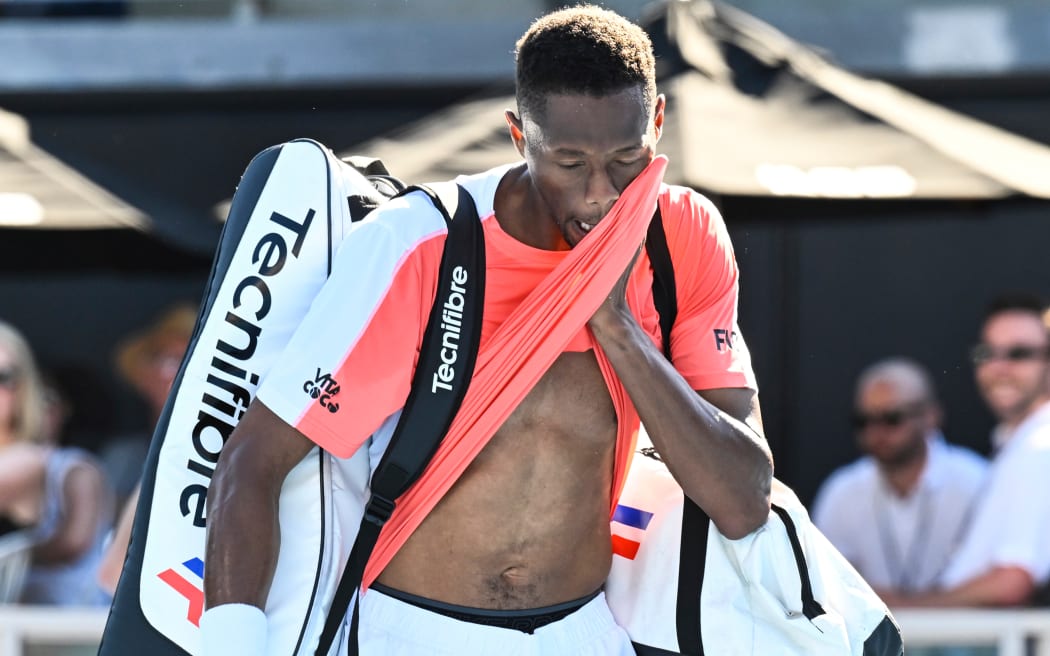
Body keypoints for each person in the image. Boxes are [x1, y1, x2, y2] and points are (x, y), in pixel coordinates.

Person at [202, 6, 773, 655]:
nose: (600, 194)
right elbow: (252, 461)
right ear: (517, 135)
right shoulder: (419, 246)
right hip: (414, 632)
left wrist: (616, 327)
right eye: (568, 161)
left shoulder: (681, 238)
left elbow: (744, 498)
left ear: (658, 123)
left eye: (625, 159)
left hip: (586, 631)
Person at [879, 293, 1050, 608]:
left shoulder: (1040, 447)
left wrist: (906, 608)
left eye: (1019, 353)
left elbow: (1012, 581)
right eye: (988, 353)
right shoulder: (1024, 444)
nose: (999, 367)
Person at [811, 357, 988, 594]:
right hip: (872, 631)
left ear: (930, 416)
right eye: (864, 421)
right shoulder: (842, 491)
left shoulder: (977, 482)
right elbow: (826, 585)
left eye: (892, 418)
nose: (876, 432)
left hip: (971, 630)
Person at [0, 319, 114, 606]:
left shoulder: (33, 461)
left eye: (2, 377)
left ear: (26, 388)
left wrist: (23, 553)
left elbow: (76, 541)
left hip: (56, 637)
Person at [96, 303, 195, 595]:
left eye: (182, 358)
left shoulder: (233, 453)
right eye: (160, 358)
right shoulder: (123, 456)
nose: (169, 371)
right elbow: (107, 549)